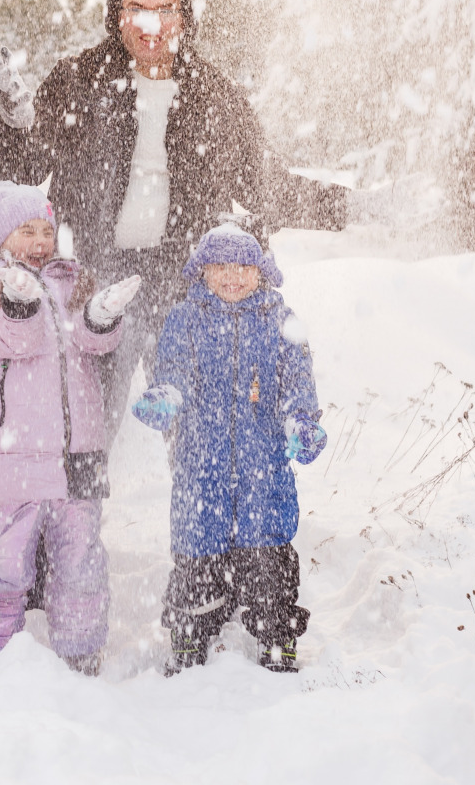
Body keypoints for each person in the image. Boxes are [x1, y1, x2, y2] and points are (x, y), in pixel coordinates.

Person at [0, 0, 350, 434]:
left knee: (196, 433)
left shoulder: (213, 95)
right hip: (94, 279)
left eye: (165, 10)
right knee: (83, 433)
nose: (150, 24)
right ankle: (82, 505)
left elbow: (267, 187)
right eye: (137, 8)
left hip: (181, 288)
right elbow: (23, 165)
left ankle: (195, 505)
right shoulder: (78, 80)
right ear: (118, 14)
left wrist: (349, 206)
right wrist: (16, 123)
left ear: (184, 16)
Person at [0, 183, 142, 674]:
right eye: (26, 231)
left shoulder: (71, 279)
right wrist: (20, 304)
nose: (40, 241)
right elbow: (2, 338)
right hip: (15, 459)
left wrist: (101, 318)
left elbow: (93, 345)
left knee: (80, 561)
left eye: (46, 230)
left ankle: (81, 653)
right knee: (6, 563)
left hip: (80, 454)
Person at [132, 223, 327, 674]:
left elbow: (297, 377)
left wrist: (301, 420)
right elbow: (174, 368)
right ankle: (190, 634)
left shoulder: (281, 321)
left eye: (243, 267)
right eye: (220, 266)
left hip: (264, 465)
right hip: (202, 462)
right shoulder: (186, 318)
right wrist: (167, 395)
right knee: (199, 553)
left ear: (261, 272)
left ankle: (276, 635)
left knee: (268, 557)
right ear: (203, 271)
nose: (232, 277)